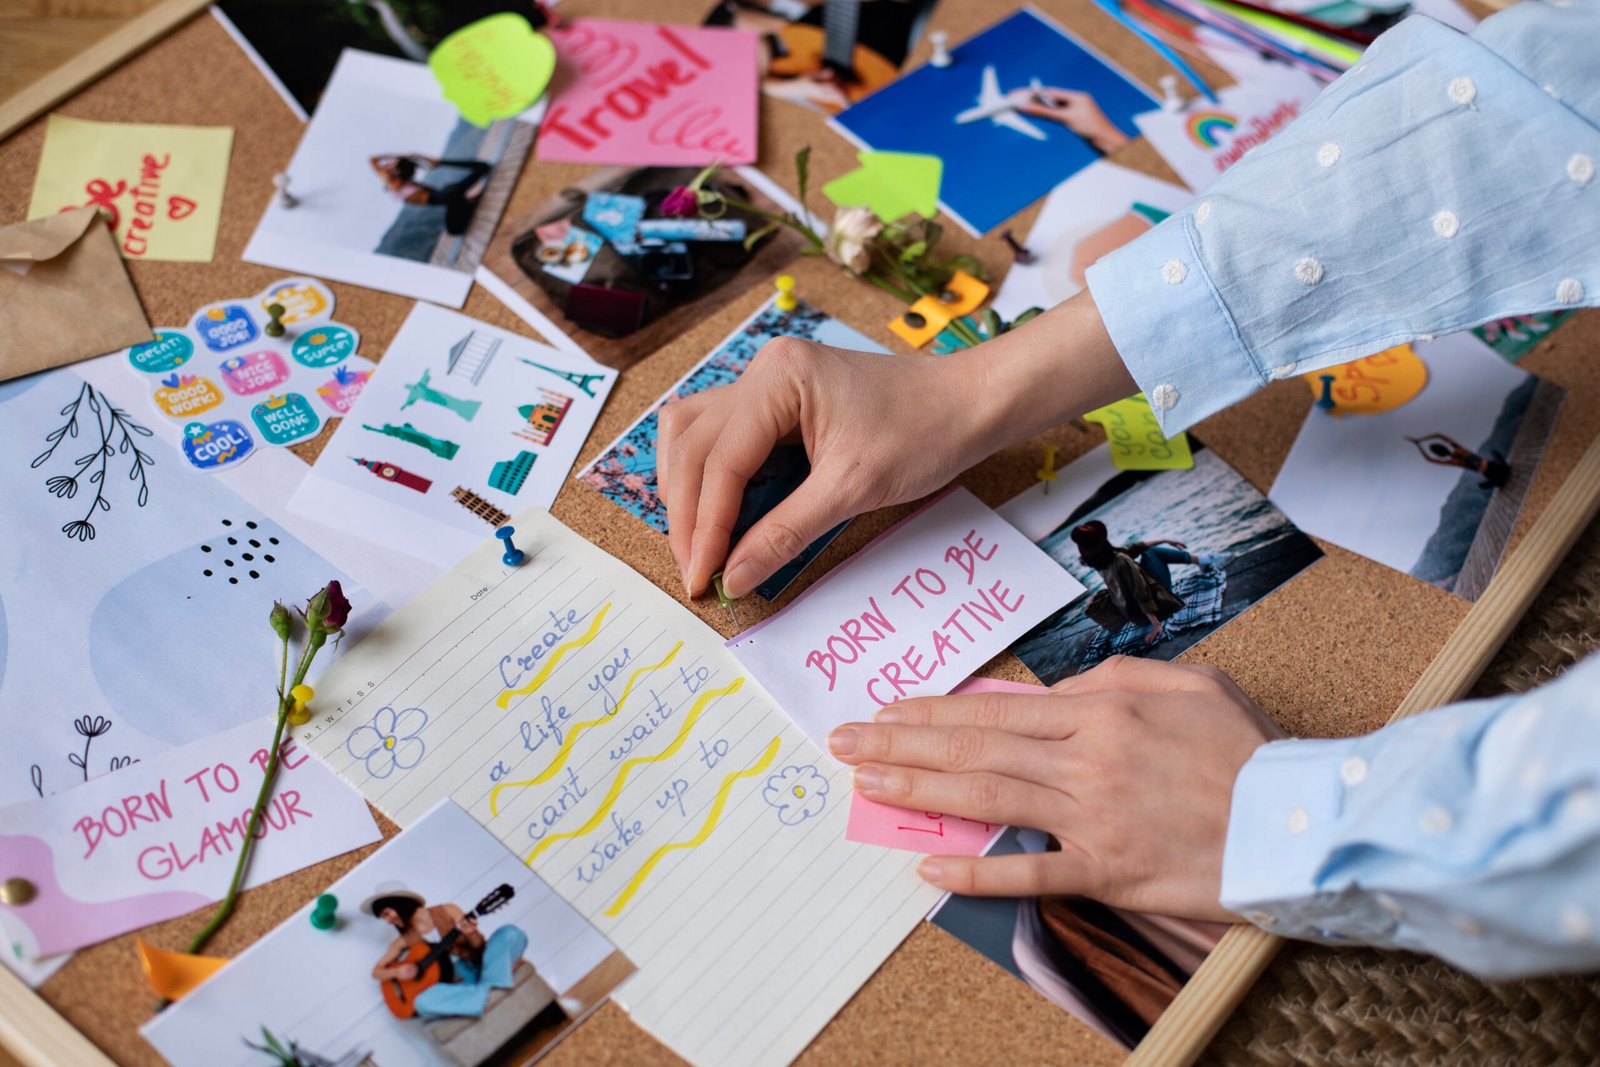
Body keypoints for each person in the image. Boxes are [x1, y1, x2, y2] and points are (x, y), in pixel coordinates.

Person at [657, 1, 1598, 980]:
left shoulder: (1139, 561)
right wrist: (976, 389)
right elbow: (1536, 113)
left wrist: (1287, 816)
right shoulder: (1122, 567)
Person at [365, 882, 528, 1019]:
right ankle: (495, 983)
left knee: (511, 933)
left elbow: (479, 946)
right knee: (422, 1002)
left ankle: (485, 988)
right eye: (383, 918)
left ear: (399, 903)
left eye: (387, 913)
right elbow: (376, 971)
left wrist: (470, 933)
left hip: (483, 962)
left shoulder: (447, 910)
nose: (388, 921)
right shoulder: (404, 940)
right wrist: (397, 972)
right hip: (460, 983)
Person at [1070, 520, 1226, 645]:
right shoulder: (1120, 561)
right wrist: (1156, 625)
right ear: (1103, 540)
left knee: (1149, 552)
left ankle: (1202, 561)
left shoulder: (1100, 562)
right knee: (1152, 553)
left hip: (1133, 615)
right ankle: (1202, 560)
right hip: (1155, 611)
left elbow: (1133, 548)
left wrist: (1164, 540)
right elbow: (1141, 592)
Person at [369, 154, 492, 236]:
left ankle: (466, 201)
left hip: (451, 197)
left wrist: (408, 156)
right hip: (453, 210)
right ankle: (467, 202)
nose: (388, 166)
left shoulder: (408, 183)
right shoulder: (391, 182)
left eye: (392, 166)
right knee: (452, 197)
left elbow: (439, 194)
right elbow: (373, 160)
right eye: (390, 167)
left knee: (481, 168)